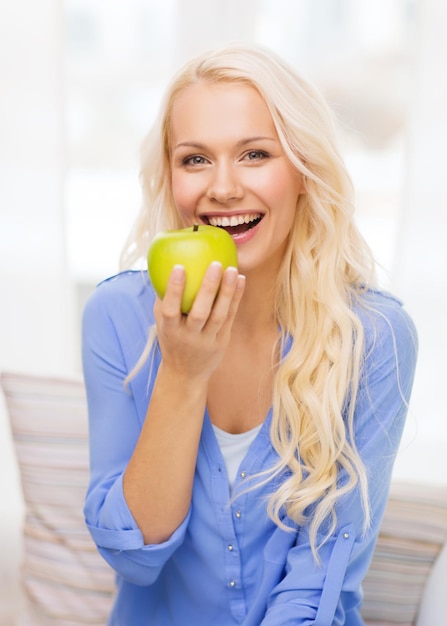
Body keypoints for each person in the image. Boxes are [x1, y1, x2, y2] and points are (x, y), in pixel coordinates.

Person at [82, 42, 418, 625]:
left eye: (255, 154)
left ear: (305, 171)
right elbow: (133, 556)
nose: (224, 187)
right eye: (195, 159)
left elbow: (317, 587)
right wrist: (184, 374)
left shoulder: (374, 335)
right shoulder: (118, 316)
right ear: (170, 176)